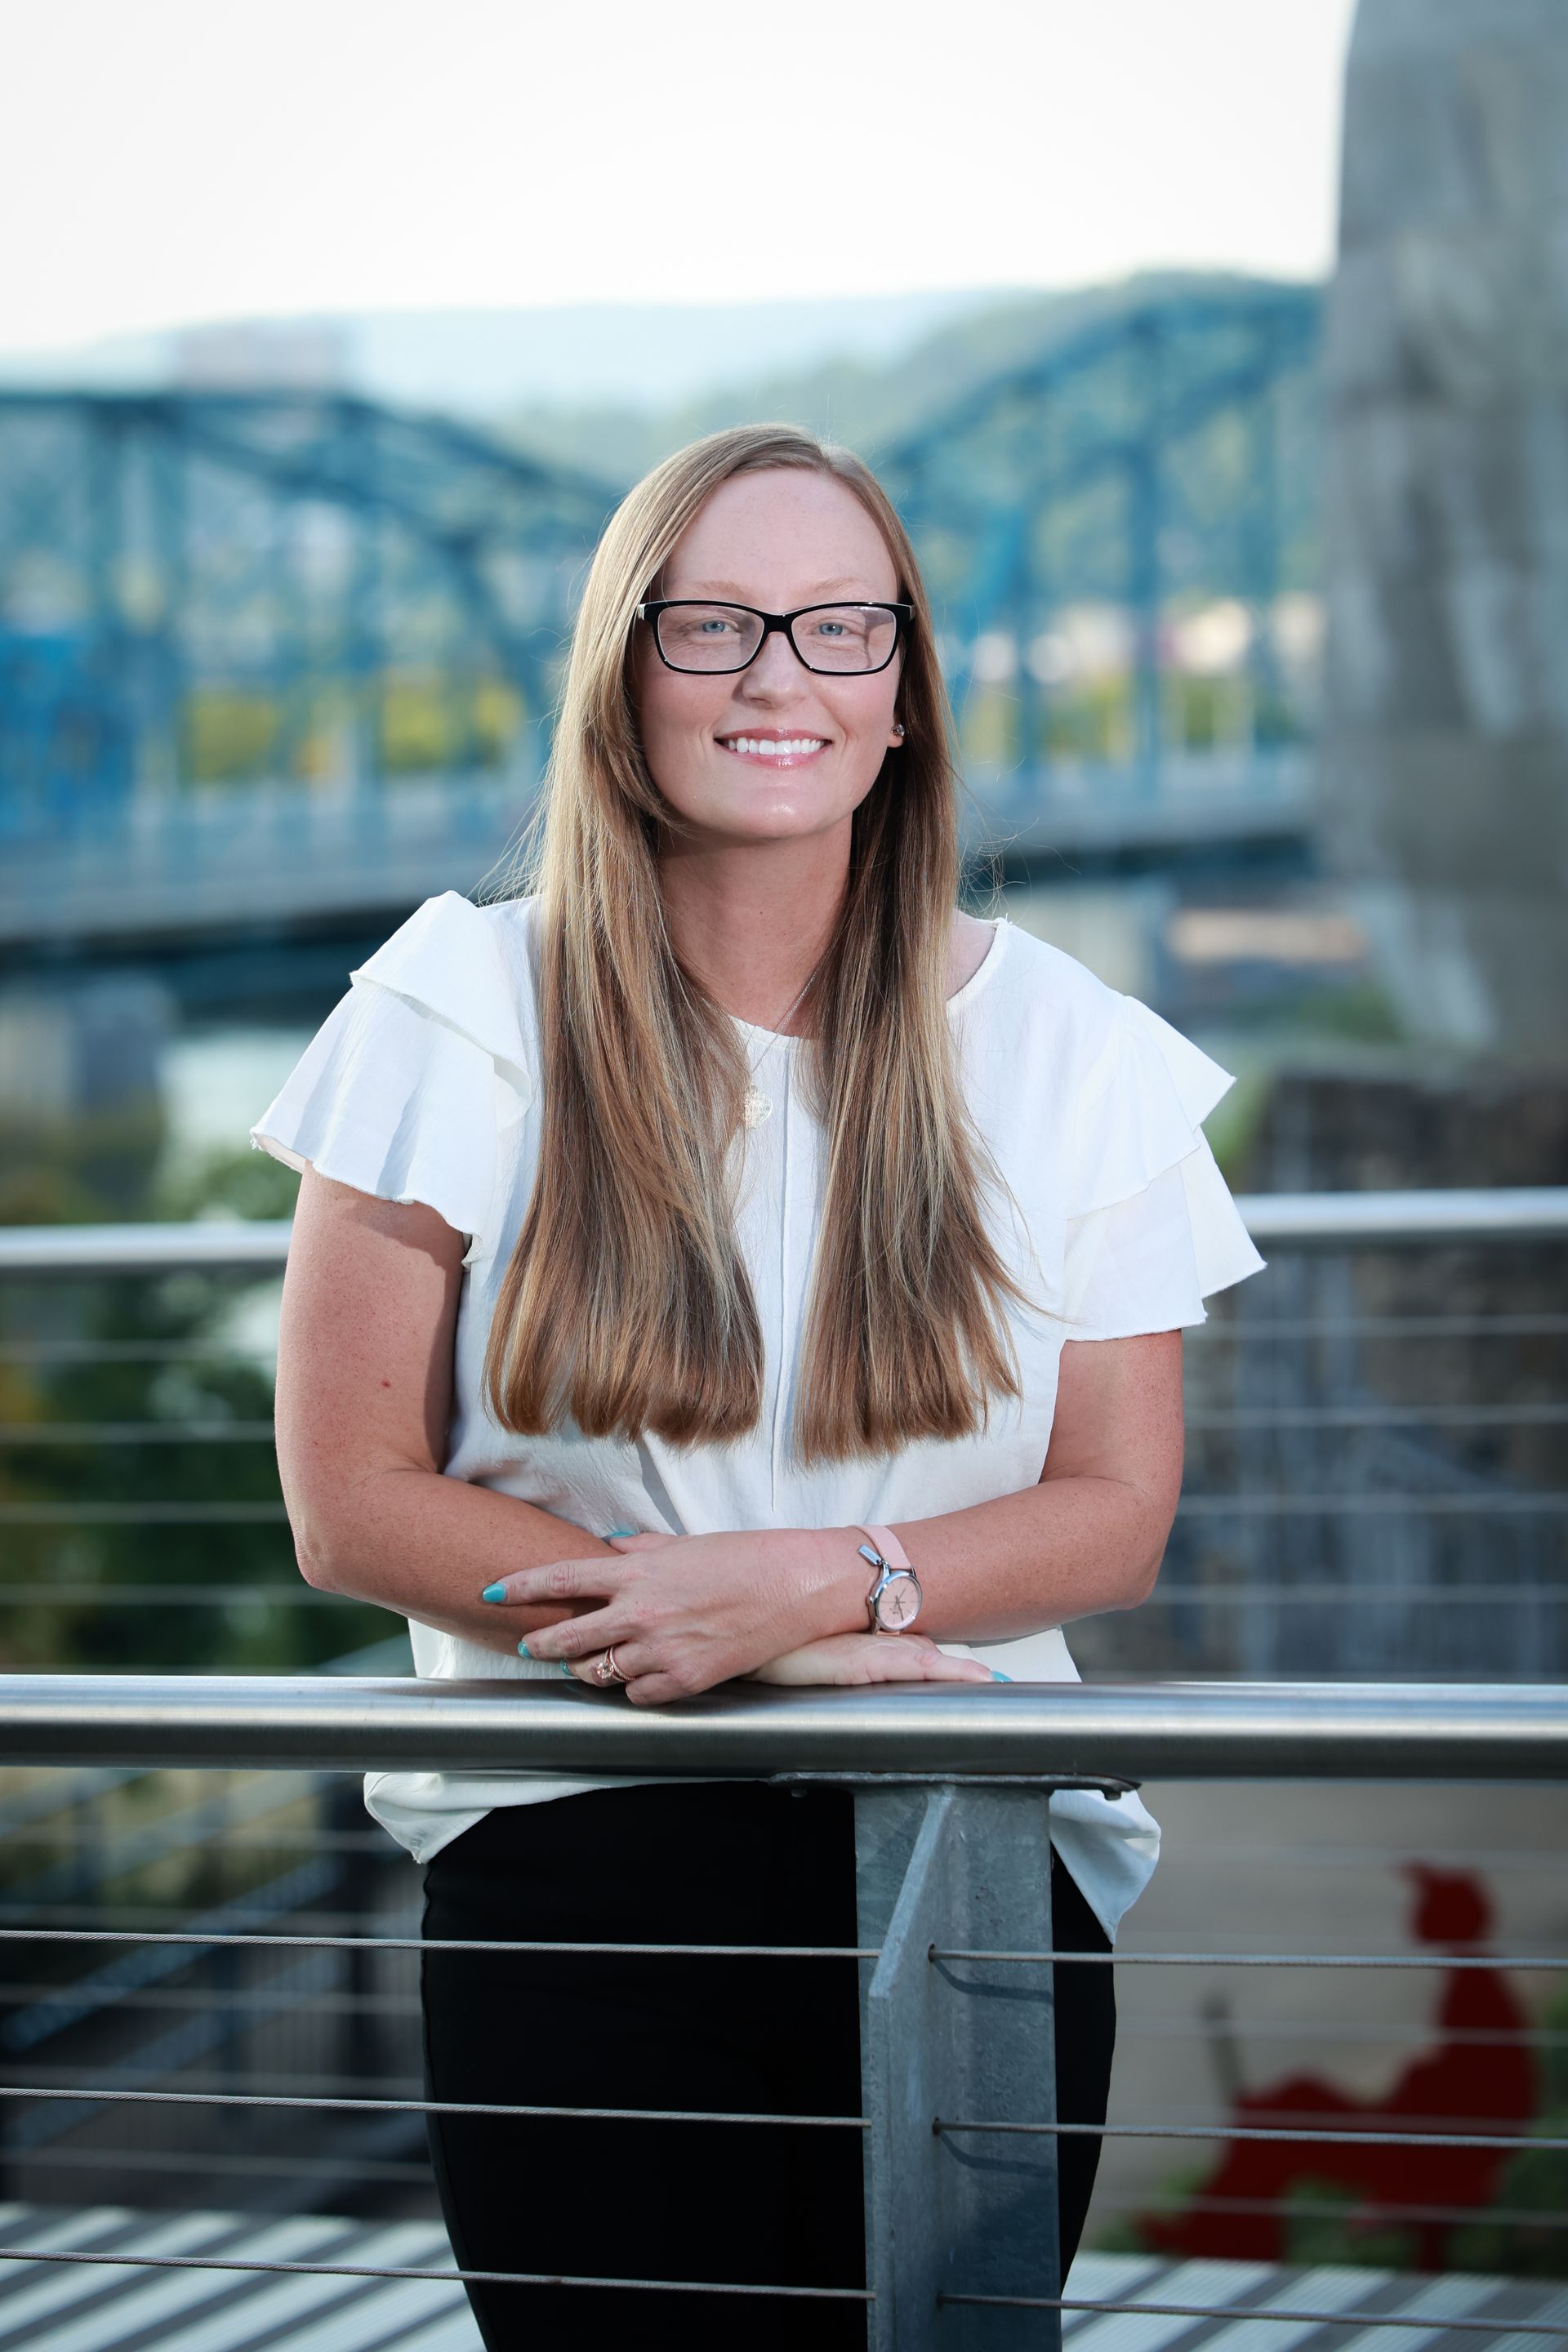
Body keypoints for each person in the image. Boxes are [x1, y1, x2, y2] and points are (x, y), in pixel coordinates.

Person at [255, 423, 1263, 2349]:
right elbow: (353, 1501)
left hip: (974, 1856)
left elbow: (1114, 1516)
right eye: (711, 625)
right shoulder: (454, 1009)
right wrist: (763, 1647)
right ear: (621, 674)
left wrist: (820, 1581)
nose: (779, 676)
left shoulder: (1079, 1053)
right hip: (575, 1858)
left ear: (905, 695)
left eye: (839, 627)